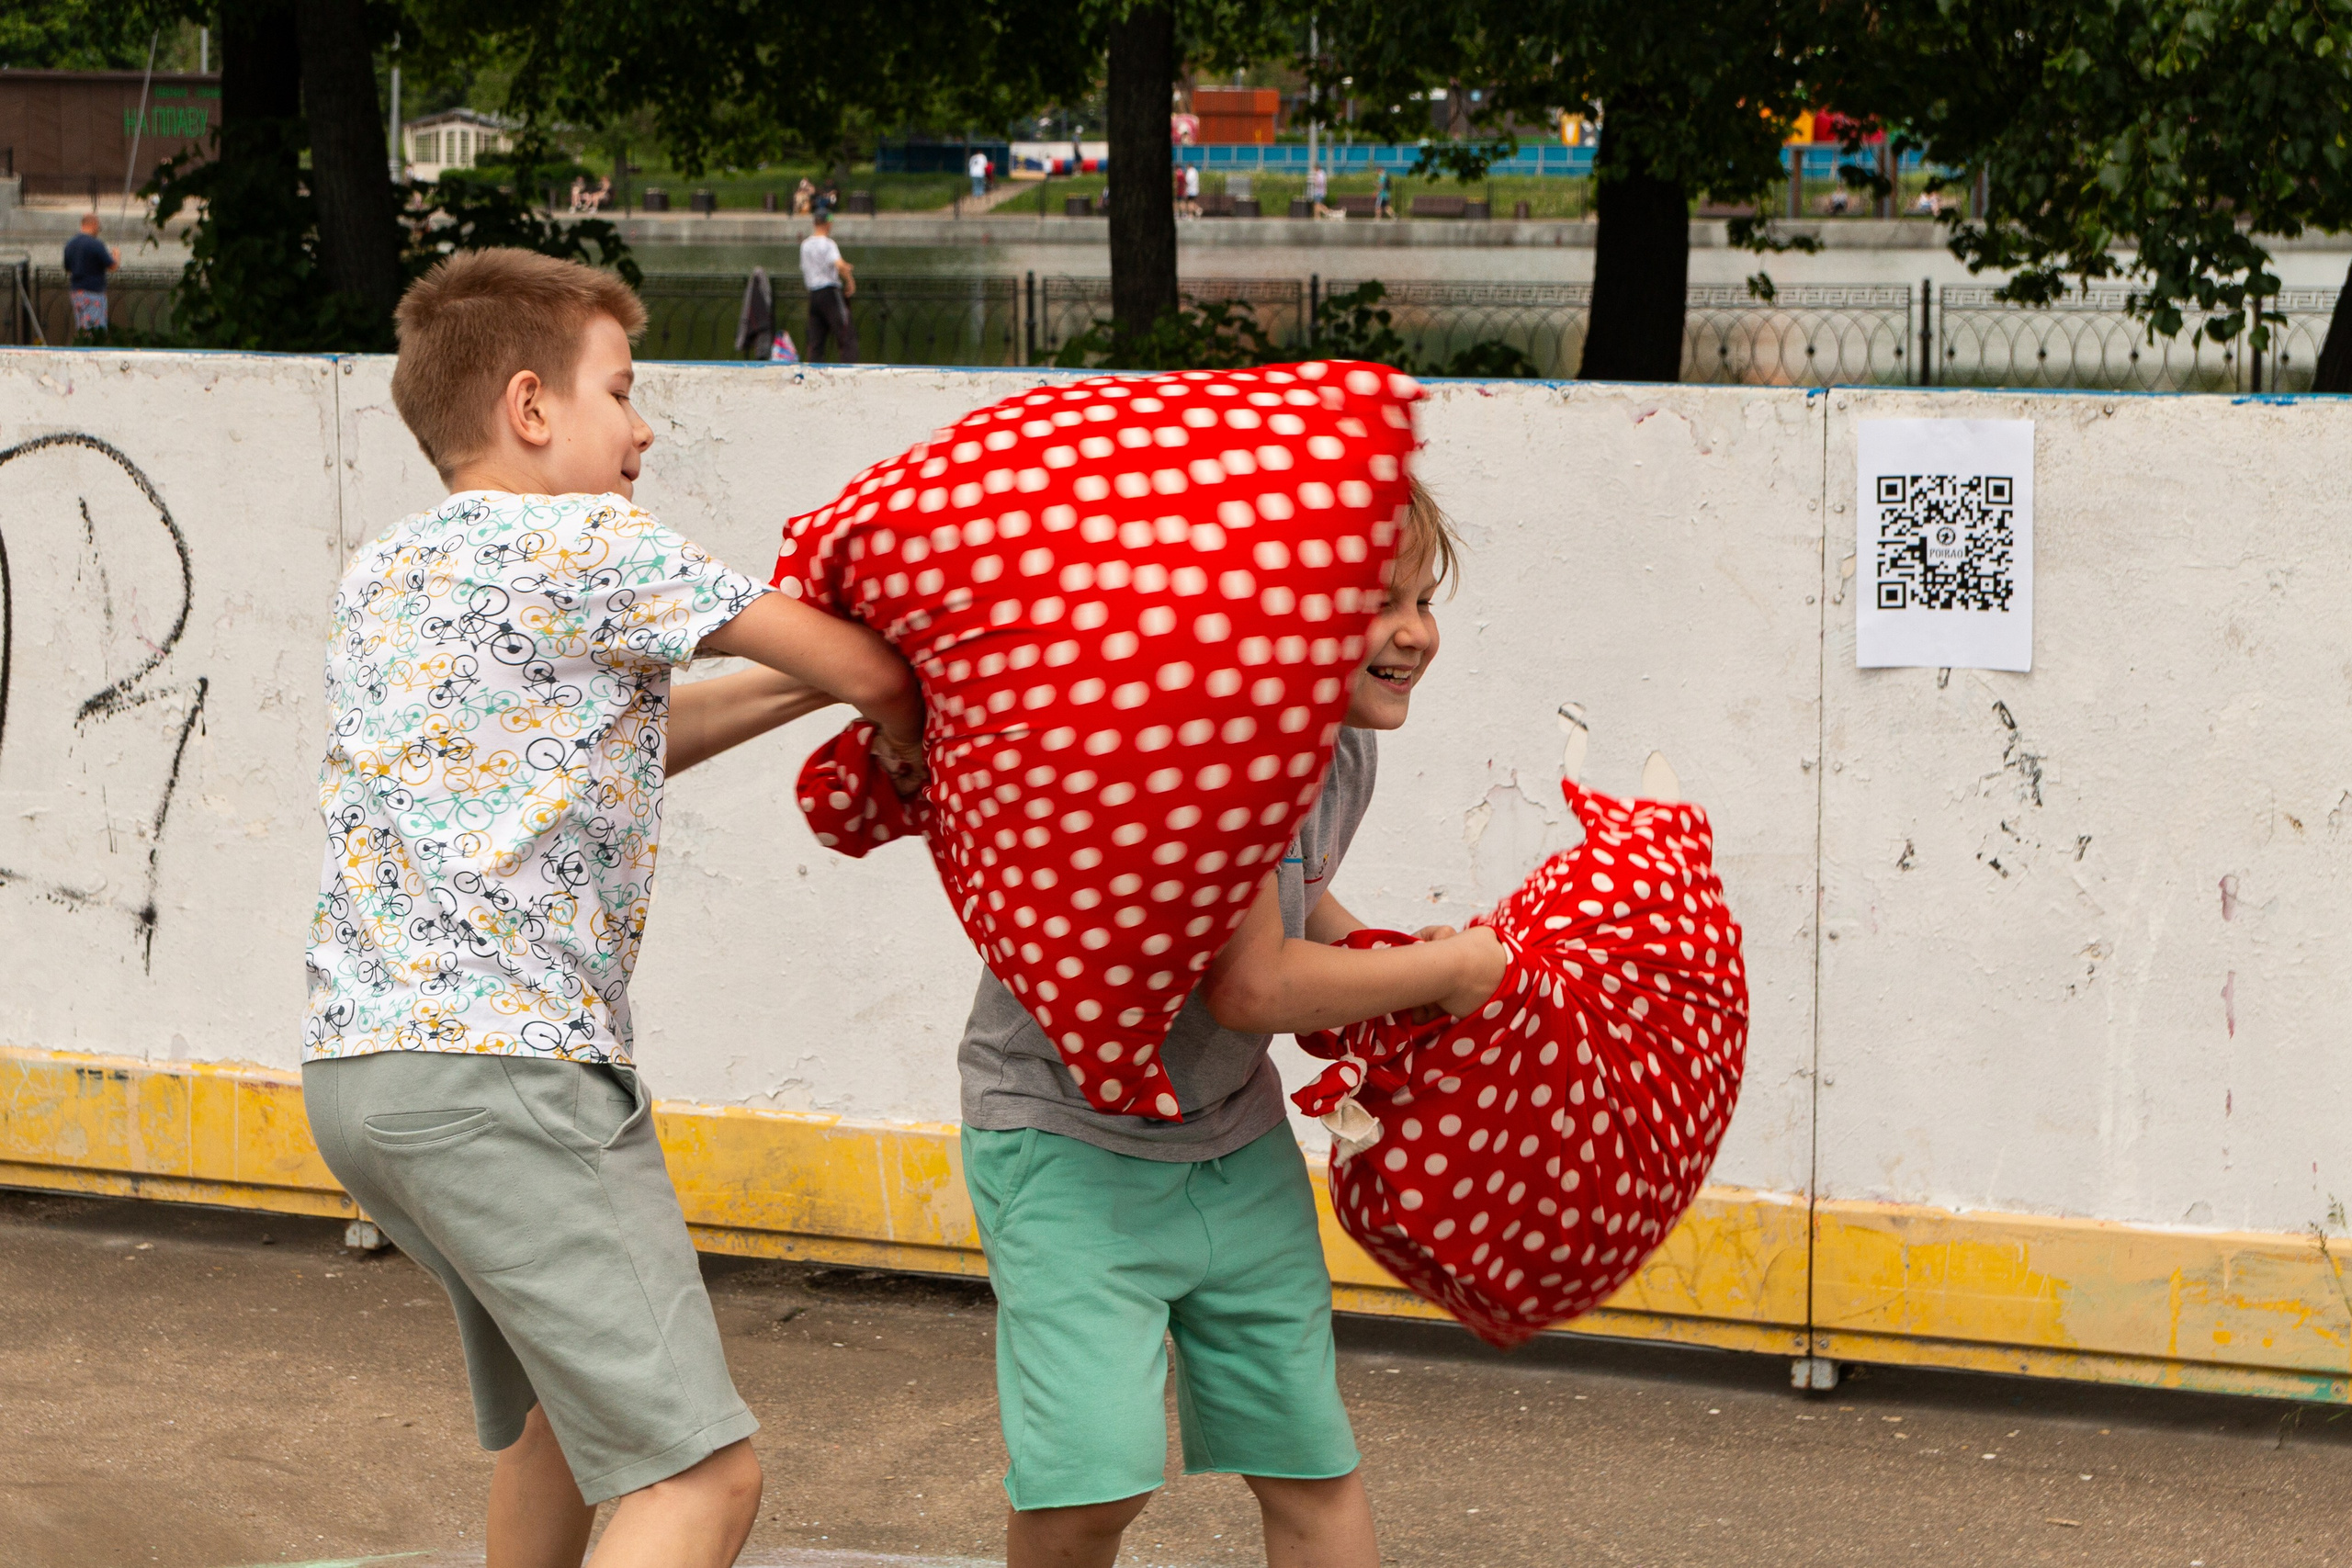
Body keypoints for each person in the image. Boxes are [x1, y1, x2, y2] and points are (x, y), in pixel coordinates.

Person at [302, 248, 923, 1568]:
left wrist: (816, 692)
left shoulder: (393, 569)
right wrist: (909, 667)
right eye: (623, 392)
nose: (644, 428)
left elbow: (625, 733)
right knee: (701, 1476)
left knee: (557, 1426)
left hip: (366, 1075)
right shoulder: (592, 537)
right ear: (533, 408)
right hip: (512, 1072)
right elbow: (861, 657)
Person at [957, 480, 1502, 1568]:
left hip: (1230, 1139)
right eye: (1376, 602)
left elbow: (1299, 900)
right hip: (1071, 1147)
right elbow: (1252, 990)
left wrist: (1373, 957)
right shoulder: (1203, 759)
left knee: (1309, 1464)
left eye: (1422, 600)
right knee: (1089, 1486)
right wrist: (1448, 968)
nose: (1411, 633)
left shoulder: (1338, 749)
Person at [800, 212, 858, 362]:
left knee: (815, 340)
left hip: (813, 294)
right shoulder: (828, 244)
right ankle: (849, 373)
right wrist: (849, 279)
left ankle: (814, 373)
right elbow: (838, 264)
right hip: (830, 293)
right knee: (846, 335)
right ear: (828, 224)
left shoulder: (805, 245)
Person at [62, 213, 118, 338]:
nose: (98, 231)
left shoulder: (70, 244)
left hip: (77, 292)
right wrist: (116, 255)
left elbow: (68, 268)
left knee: (82, 327)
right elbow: (112, 266)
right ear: (94, 225)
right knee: (95, 329)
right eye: (99, 228)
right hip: (94, 293)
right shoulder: (96, 244)